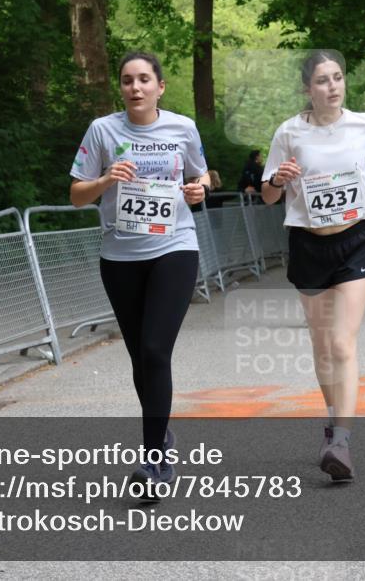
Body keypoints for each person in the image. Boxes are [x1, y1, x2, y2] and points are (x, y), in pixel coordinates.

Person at [260, 50, 365, 482]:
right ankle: (332, 421)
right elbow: (268, 195)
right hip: (308, 244)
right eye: (322, 80)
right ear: (307, 89)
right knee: (323, 346)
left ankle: (341, 441)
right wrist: (278, 180)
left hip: (356, 240)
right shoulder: (288, 133)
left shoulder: (364, 124)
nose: (333, 86)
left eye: (338, 78)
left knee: (343, 343)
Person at [69, 51, 210, 498]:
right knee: (139, 357)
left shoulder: (182, 128)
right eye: (128, 80)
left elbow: (202, 176)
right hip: (120, 256)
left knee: (154, 350)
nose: (135, 88)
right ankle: (161, 435)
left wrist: (198, 190)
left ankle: (154, 464)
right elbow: (76, 195)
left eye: (144, 79)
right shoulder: (103, 130)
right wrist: (107, 179)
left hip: (174, 247)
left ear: (160, 87)